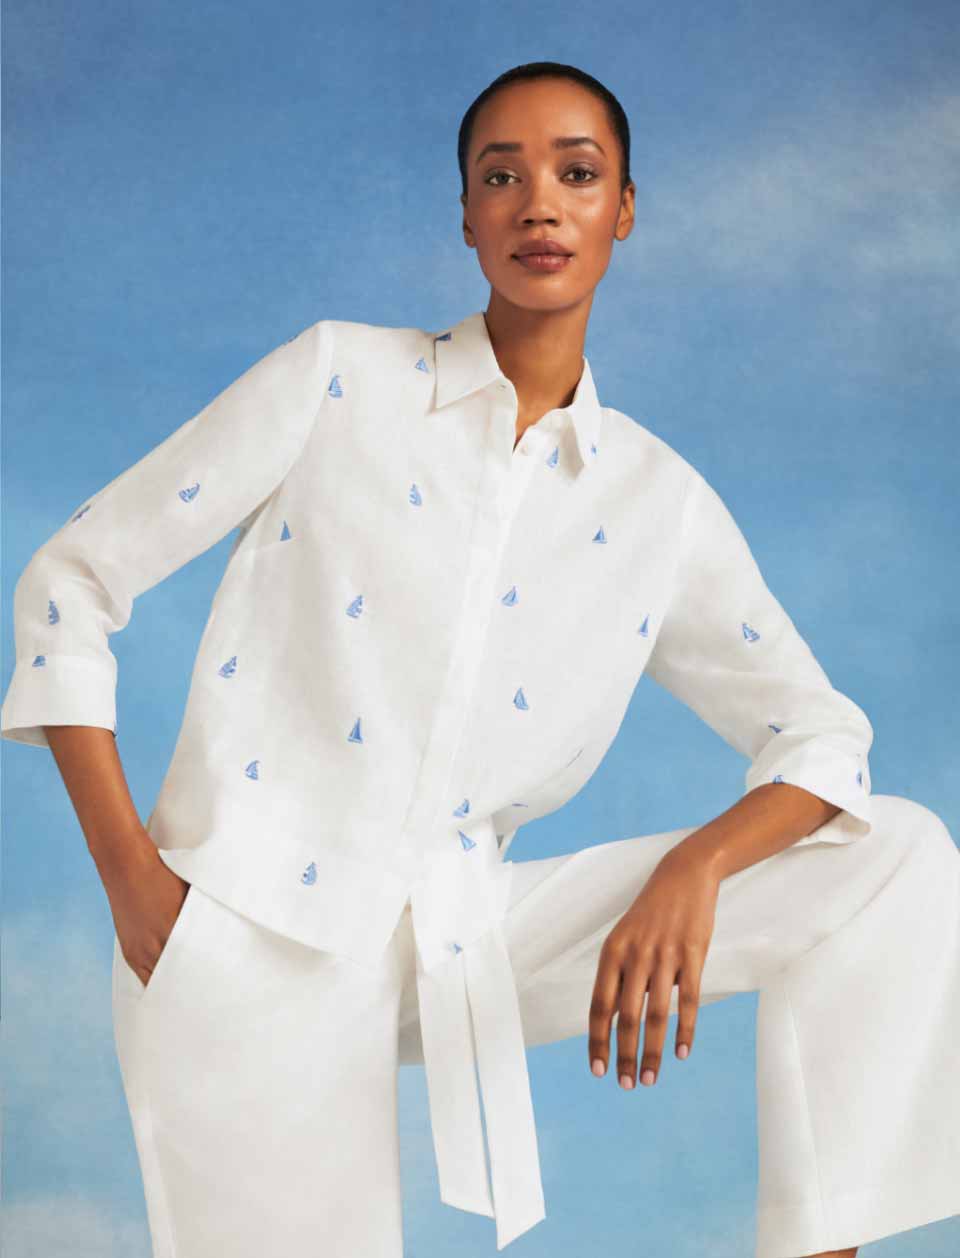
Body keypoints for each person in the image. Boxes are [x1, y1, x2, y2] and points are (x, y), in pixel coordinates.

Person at [3, 60, 958, 1258]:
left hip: (472, 929)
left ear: (623, 208)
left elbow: (827, 739)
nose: (538, 203)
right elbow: (68, 581)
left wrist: (698, 869)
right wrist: (134, 887)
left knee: (898, 857)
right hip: (253, 929)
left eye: (576, 172)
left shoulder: (658, 501)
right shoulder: (338, 377)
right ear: (466, 216)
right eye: (501, 176)